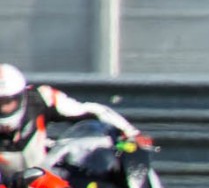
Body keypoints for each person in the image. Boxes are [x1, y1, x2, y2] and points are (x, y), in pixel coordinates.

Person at [0, 64, 148, 177]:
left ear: (21, 96)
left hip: (45, 179)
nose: (4, 108)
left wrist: (130, 132)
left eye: (8, 101)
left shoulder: (42, 98)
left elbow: (91, 110)